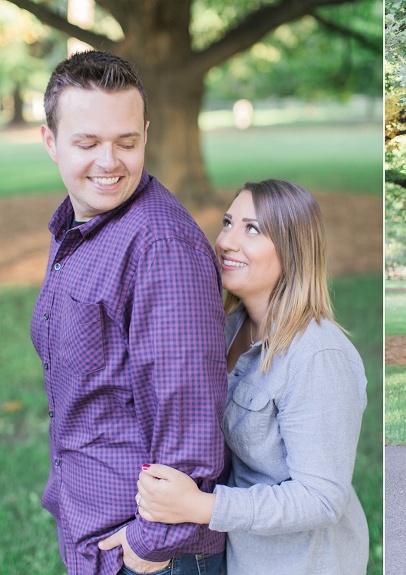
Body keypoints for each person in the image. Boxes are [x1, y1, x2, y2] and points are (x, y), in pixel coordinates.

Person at [30, 50, 228, 574]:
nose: (109, 161)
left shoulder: (161, 246)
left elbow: (189, 410)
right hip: (90, 529)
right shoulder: (76, 228)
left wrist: (153, 541)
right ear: (50, 141)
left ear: (145, 134)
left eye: (126, 142)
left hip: (145, 553)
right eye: (87, 143)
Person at [133, 180, 369, 574]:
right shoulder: (228, 328)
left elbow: (321, 499)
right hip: (243, 554)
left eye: (252, 229)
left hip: (302, 563)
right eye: (228, 223)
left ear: (292, 250)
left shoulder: (317, 355)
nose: (226, 241)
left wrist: (200, 506)